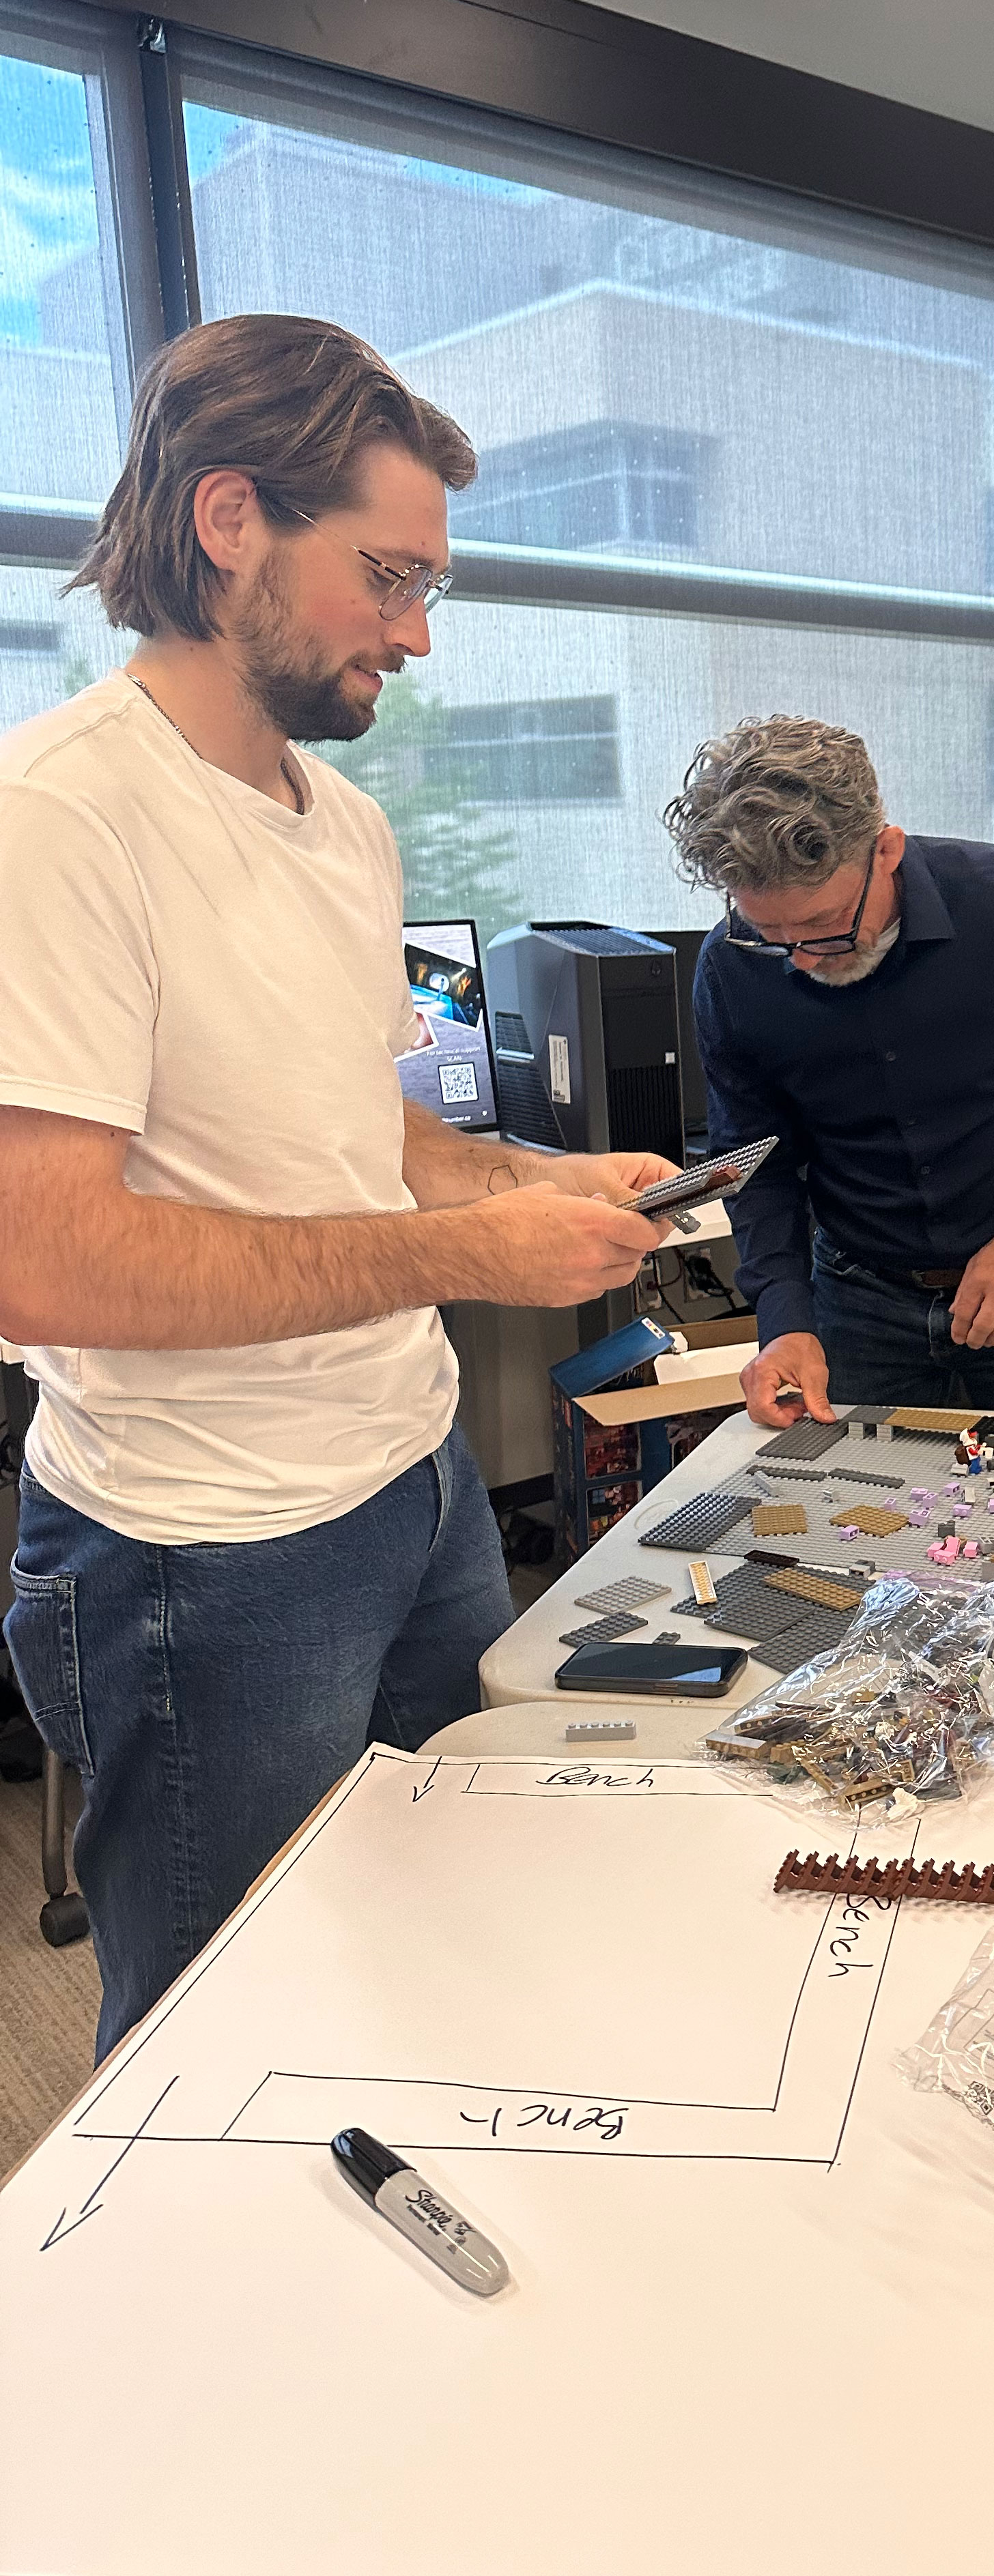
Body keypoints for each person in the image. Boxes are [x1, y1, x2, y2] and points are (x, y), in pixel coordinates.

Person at [0, 313, 676, 2057]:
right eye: (388, 576)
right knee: (222, 2035)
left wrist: (533, 1177)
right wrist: (468, 1255)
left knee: (448, 1938)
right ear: (230, 519)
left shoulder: (346, 824)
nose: (416, 632)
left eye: (429, 586)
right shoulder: (58, 816)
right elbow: (43, 1262)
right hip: (205, 1549)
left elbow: (373, 1135)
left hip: (417, 1484)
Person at [663, 717, 994, 1424]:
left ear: (887, 850)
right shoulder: (730, 968)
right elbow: (754, 1159)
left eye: (826, 926)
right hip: (856, 1293)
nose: (801, 959)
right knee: (851, 1494)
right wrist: (783, 1318)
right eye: (771, 935)